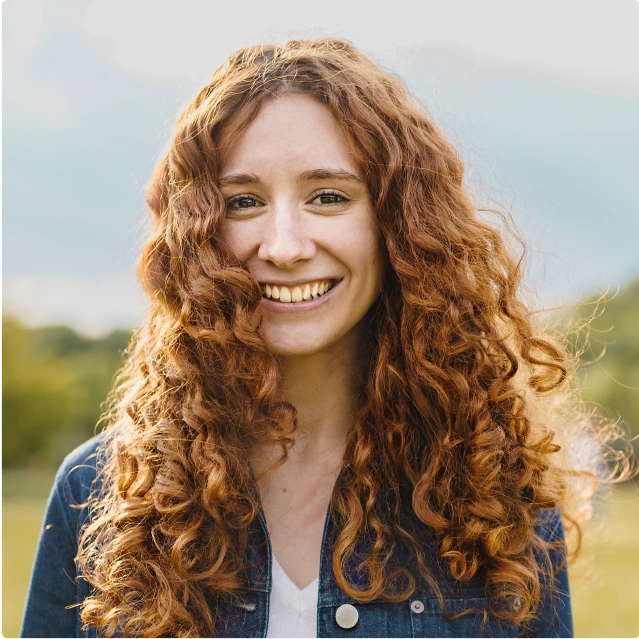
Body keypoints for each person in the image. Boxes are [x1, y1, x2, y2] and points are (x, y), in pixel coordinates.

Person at [22, 38, 600, 638]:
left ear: (397, 223)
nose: (284, 246)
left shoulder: (491, 492)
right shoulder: (94, 494)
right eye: (242, 202)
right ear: (197, 235)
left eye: (328, 196)